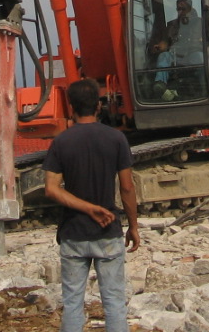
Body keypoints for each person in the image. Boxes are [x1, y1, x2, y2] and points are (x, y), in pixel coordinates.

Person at [43, 79, 140, 332]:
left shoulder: (61, 142)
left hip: (73, 234)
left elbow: (51, 189)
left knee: (73, 302)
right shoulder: (116, 138)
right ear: (98, 106)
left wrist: (85, 209)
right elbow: (127, 187)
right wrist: (133, 226)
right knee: (114, 302)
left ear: (70, 105)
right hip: (108, 233)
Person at [166, 0, 202, 65]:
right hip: (176, 54)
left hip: (194, 52)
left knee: (199, 58)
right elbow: (167, 42)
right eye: (179, 9)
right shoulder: (171, 25)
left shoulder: (200, 22)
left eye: (183, 8)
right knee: (164, 56)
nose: (181, 11)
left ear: (190, 8)